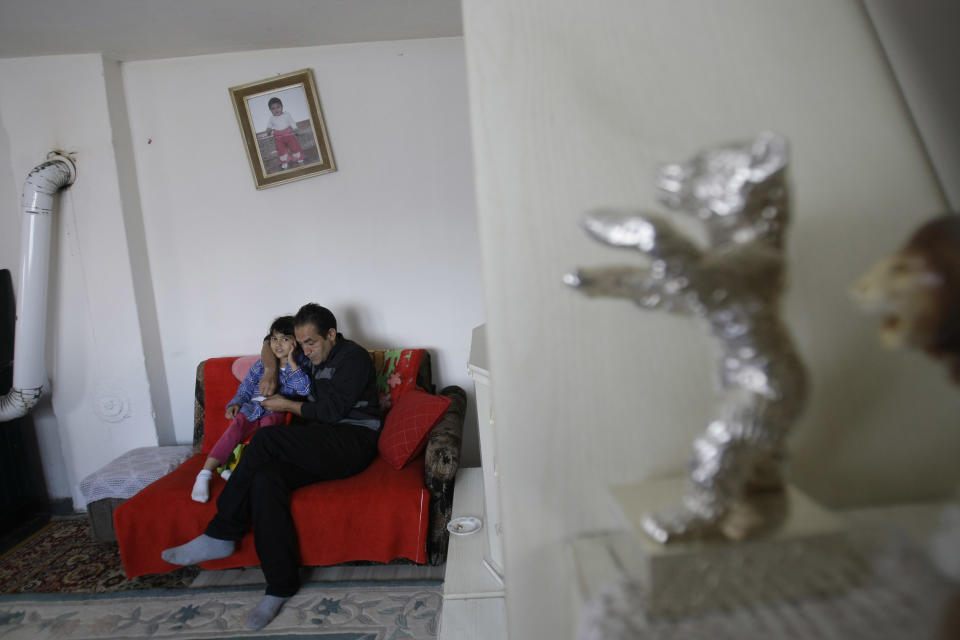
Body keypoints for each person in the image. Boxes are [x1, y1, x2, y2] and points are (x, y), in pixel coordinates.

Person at [161, 304, 381, 631]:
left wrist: (287, 404)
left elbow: (333, 411)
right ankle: (279, 586)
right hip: (321, 440)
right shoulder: (309, 353)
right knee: (266, 479)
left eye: (311, 343)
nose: (305, 350)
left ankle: (222, 530)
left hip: (353, 442)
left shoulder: (354, 359)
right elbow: (269, 343)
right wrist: (269, 372)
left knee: (267, 441)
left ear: (331, 335)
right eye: (301, 343)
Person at [190, 315, 311, 503]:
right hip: (252, 408)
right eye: (274, 339)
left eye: (285, 339)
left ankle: (240, 472)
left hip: (276, 411)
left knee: (268, 431)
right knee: (236, 426)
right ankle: (205, 474)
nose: (278, 344)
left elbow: (304, 390)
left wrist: (293, 362)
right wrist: (235, 403)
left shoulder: (302, 365)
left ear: (295, 343)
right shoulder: (261, 365)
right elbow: (245, 388)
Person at [265, 97, 304, 170]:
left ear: (282, 106)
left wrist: (295, 128)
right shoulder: (271, 118)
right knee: (281, 150)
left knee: (294, 146)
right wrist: (268, 130)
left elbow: (291, 122)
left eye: (278, 107)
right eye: (273, 108)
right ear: (270, 110)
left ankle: (299, 158)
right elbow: (269, 126)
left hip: (288, 134)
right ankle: (284, 161)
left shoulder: (286, 114)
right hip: (278, 137)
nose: (276, 110)